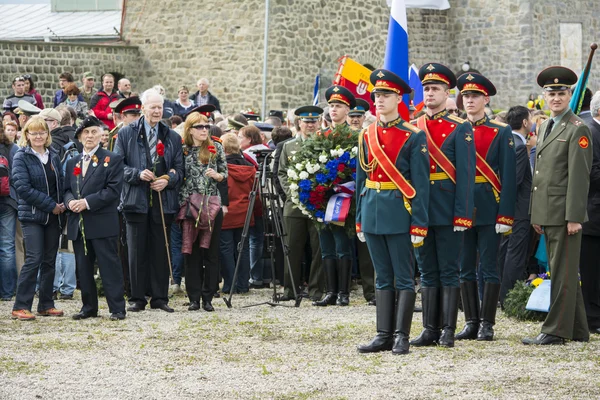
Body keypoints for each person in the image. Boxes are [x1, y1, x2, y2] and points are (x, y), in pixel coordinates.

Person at [356, 69, 429, 355]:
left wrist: (419, 224)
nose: (380, 99)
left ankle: (402, 335)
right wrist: (360, 218)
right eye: (377, 95)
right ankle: (383, 334)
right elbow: (362, 178)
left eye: (385, 95)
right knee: (381, 276)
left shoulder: (413, 135)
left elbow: (421, 185)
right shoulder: (367, 133)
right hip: (373, 209)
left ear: (398, 97)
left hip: (400, 210)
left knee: (402, 277)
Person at [523, 67, 593, 345]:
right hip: (548, 211)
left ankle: (555, 331)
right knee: (560, 270)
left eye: (561, 93)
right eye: (551, 93)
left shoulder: (578, 128)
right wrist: (536, 213)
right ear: (544, 96)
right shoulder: (545, 126)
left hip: (565, 213)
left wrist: (574, 216)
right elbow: (540, 174)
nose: (556, 98)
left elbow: (579, 176)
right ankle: (577, 329)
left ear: (570, 95)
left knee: (563, 273)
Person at [410, 63, 475, 349]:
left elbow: (466, 174)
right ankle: (429, 329)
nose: (430, 93)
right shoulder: (414, 126)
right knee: (426, 270)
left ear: (447, 92)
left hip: (448, 207)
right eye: (426, 88)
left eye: (435, 88)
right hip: (421, 208)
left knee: (449, 270)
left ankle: (448, 329)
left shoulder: (461, 128)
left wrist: (462, 214)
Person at [456, 72, 516, 342]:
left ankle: (487, 323)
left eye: (475, 96)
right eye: (466, 96)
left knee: (489, 267)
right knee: (465, 266)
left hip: (490, 206)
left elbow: (509, 177)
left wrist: (505, 213)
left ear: (485, 99)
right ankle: (470, 321)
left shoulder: (501, 131)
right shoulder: (456, 129)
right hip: (462, 207)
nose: (469, 100)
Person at [114, 88, 183, 313]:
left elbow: (180, 170)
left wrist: (168, 180)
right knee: (136, 251)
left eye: (159, 107)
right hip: (135, 200)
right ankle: (137, 297)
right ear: (142, 108)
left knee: (160, 249)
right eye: (152, 107)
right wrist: (136, 174)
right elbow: (117, 168)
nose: (156, 111)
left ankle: (160, 297)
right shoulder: (126, 134)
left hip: (163, 201)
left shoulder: (172, 136)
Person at [64, 116, 126, 320]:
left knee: (109, 266)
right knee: (83, 267)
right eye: (85, 133)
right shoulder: (73, 161)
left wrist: (87, 202)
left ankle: (117, 308)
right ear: (80, 137)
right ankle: (88, 307)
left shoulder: (112, 159)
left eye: (93, 132)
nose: (89, 136)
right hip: (78, 223)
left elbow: (113, 190)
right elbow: (66, 190)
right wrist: (70, 201)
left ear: (101, 135)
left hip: (102, 222)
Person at [11, 117, 66, 320]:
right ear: (26, 135)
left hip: (54, 216)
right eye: (33, 133)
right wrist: (51, 205)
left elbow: (60, 183)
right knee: (33, 259)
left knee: (49, 260)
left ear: (47, 134)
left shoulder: (53, 155)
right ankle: (21, 305)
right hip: (33, 216)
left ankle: (45, 304)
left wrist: (61, 205)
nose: (38, 136)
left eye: (42, 132)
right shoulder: (21, 157)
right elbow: (23, 188)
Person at [313, 85, 357, 307]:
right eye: (331, 105)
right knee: (326, 245)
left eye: (338, 106)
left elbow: (357, 168)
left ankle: (344, 292)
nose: (333, 109)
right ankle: (330, 291)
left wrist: (341, 186)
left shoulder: (354, 136)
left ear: (347, 110)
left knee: (342, 246)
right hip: (322, 197)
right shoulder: (321, 135)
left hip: (344, 198)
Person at [179, 112, 227, 311]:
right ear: (190, 129)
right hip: (189, 204)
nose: (204, 130)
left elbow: (225, 172)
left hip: (211, 205)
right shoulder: (183, 149)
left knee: (212, 252)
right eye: (199, 127)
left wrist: (217, 175)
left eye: (206, 126)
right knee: (192, 253)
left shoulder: (215, 147)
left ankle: (208, 296)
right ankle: (194, 297)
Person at [277, 106, 324, 301]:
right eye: (306, 121)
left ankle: (316, 290)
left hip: (318, 206)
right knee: (292, 249)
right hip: (294, 206)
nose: (310, 125)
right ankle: (290, 290)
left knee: (318, 251)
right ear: (299, 123)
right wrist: (292, 193)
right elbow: (281, 173)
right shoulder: (288, 146)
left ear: (319, 123)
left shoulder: (324, 144)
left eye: (313, 121)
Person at [498, 106, 533, 304]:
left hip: (508, 207)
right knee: (515, 252)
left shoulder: (505, 141)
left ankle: (502, 294)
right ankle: (509, 296)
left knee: (506, 251)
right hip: (519, 207)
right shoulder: (518, 146)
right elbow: (516, 180)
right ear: (525, 122)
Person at [580, 90, 600, 335]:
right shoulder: (589, 132)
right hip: (593, 214)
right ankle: (593, 318)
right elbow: (591, 174)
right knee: (591, 272)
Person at [0, 126, 19, 301]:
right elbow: (18, 176)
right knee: (7, 247)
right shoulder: (12, 148)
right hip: (8, 201)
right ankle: (7, 292)